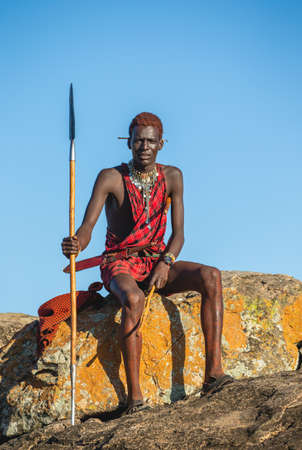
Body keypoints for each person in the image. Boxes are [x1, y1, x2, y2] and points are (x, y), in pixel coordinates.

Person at [62, 112, 233, 414]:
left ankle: (214, 374)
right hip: (120, 262)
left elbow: (179, 234)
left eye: (150, 141)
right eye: (138, 140)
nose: (144, 146)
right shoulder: (110, 178)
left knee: (211, 276)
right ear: (127, 142)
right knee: (133, 298)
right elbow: (87, 228)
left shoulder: (173, 177)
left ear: (161, 144)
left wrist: (166, 262)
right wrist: (76, 242)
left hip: (157, 260)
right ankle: (135, 399)